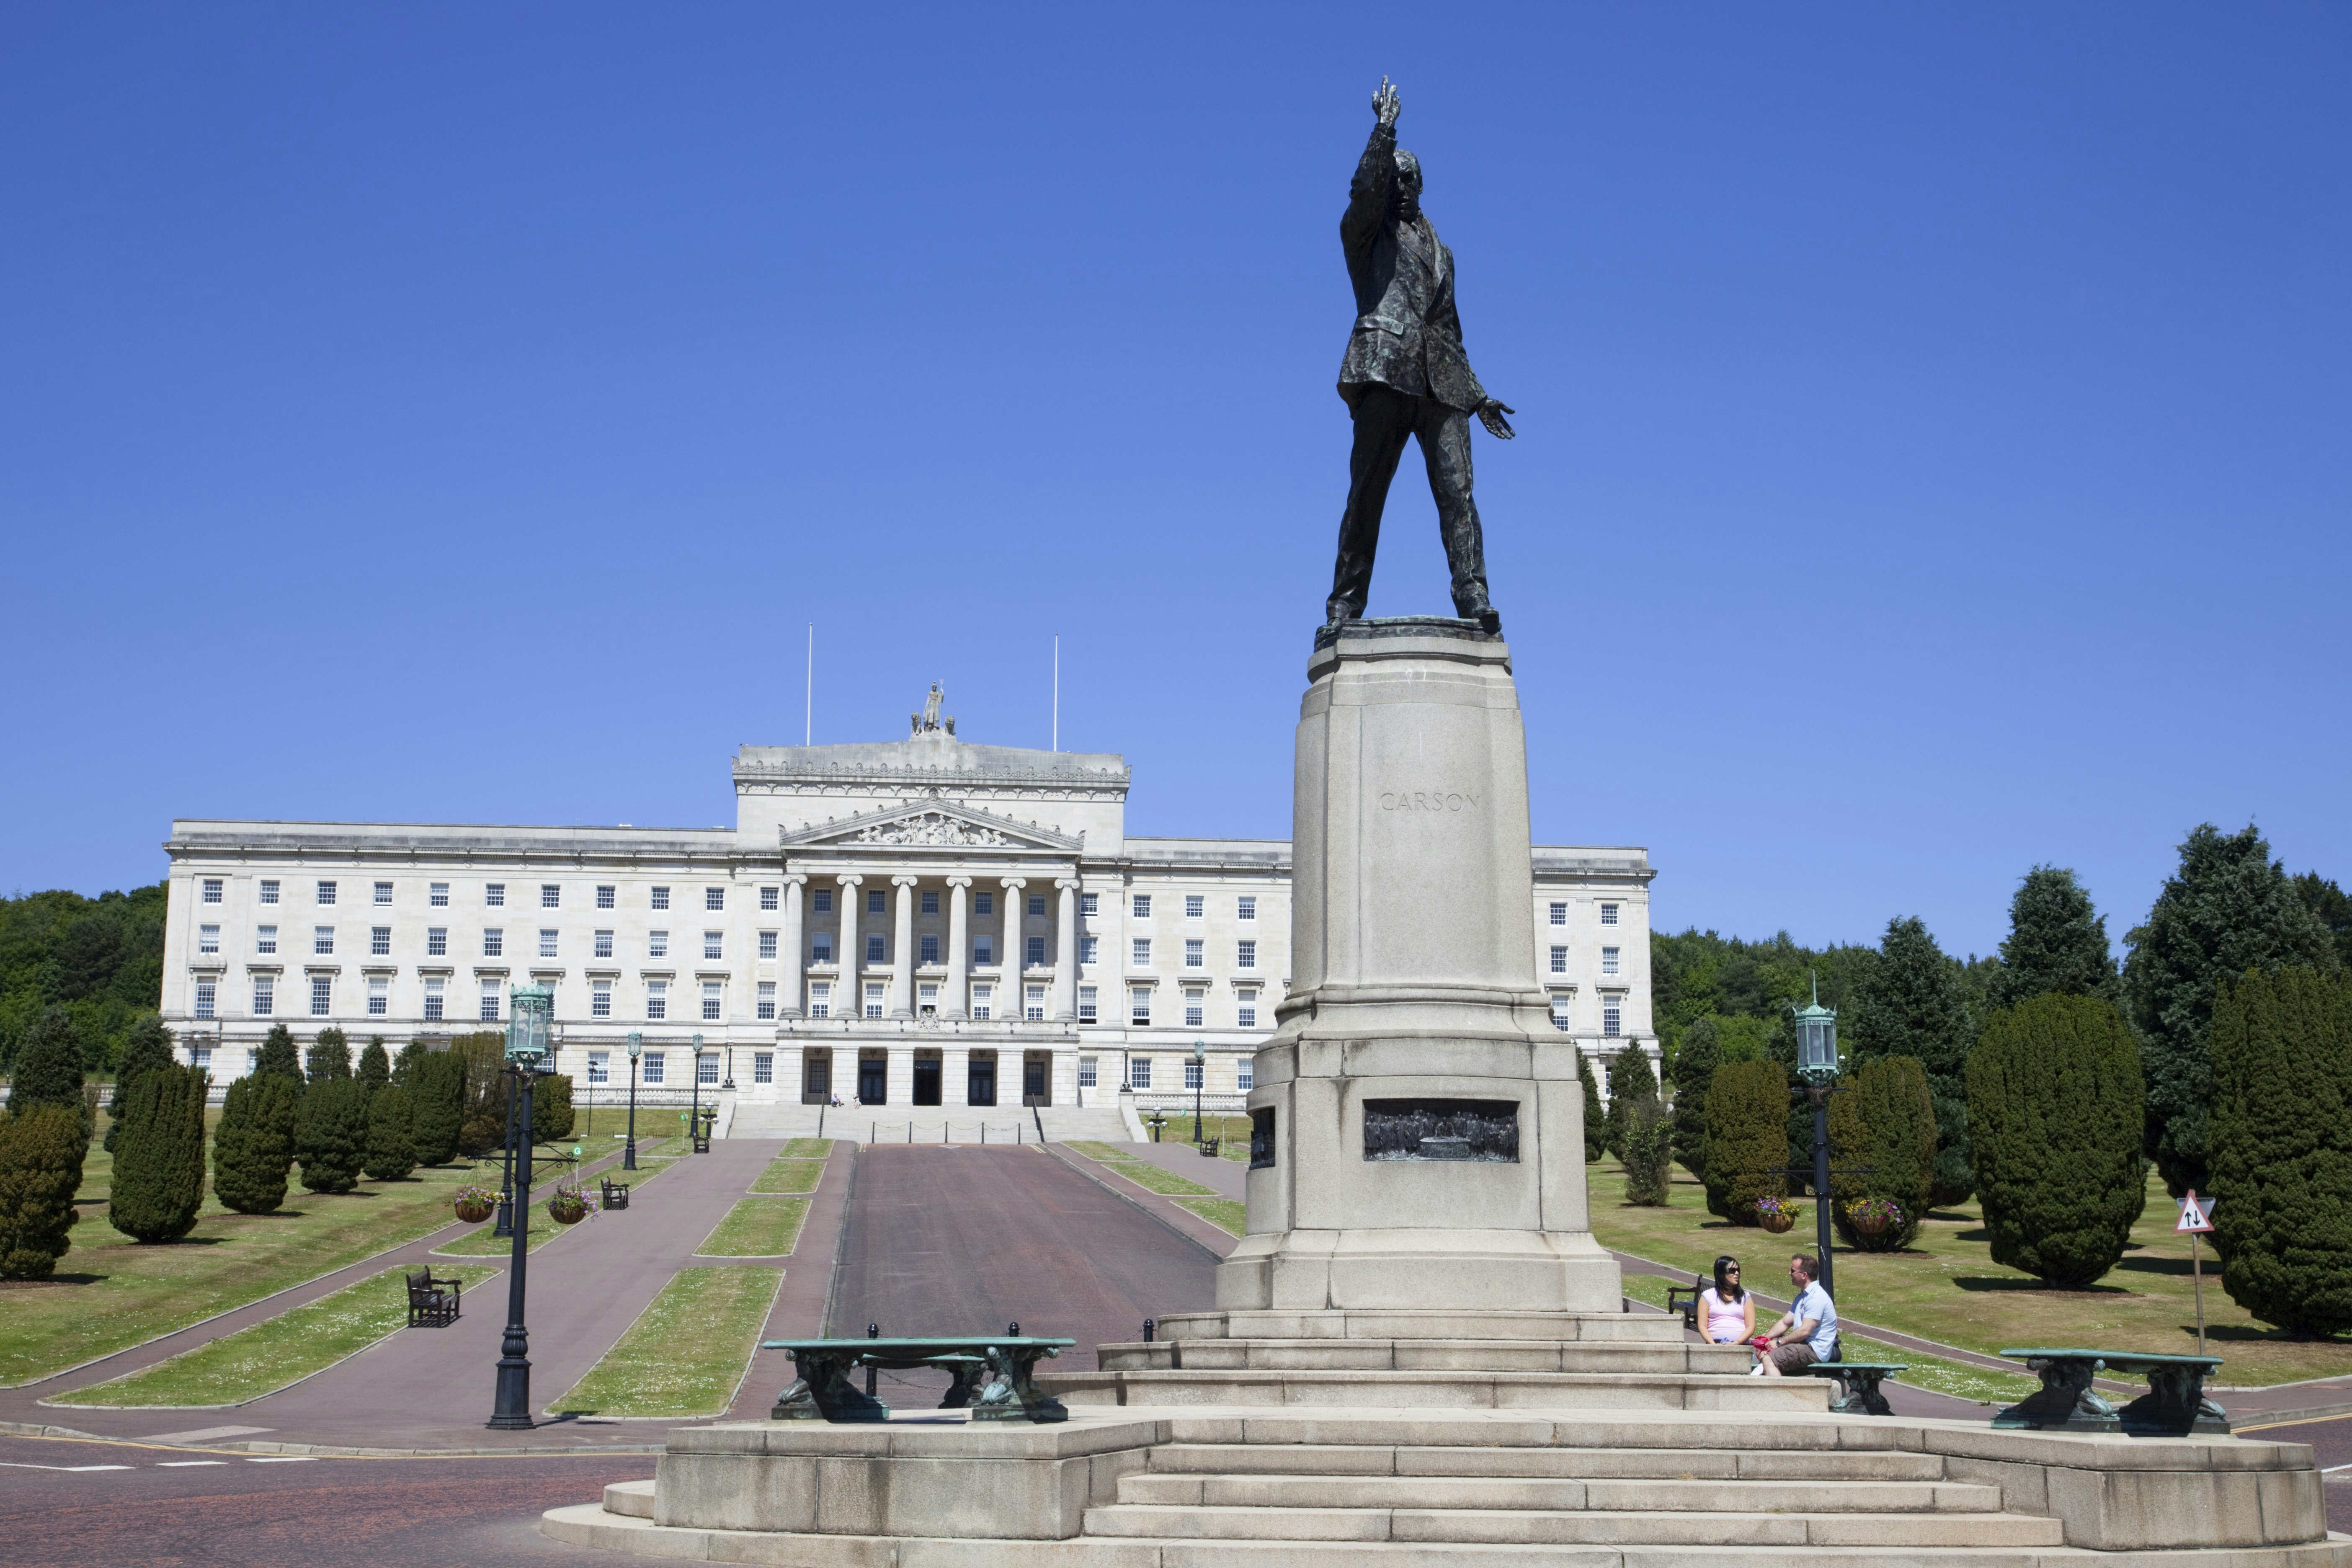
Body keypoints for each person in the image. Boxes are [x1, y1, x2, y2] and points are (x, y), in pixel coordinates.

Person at [1325, 77, 1517, 635]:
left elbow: (1450, 330)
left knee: (1459, 496)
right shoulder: (1365, 234)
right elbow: (1363, 191)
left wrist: (1477, 393)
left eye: (1410, 178)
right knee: (1367, 496)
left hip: (1441, 387)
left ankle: (1474, 595)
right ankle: (1345, 602)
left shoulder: (1444, 252)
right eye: (1395, 178)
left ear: (1423, 185)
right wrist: (1384, 132)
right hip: (1384, 373)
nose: (1401, 186)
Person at [1752, 1253, 1839, 1377]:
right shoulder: (1803, 1297)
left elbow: (1805, 1331)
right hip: (1803, 1345)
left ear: (1804, 1275)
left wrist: (1779, 1343)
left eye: (1793, 1271)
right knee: (1765, 1353)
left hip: (1814, 1349)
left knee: (1769, 1359)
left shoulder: (1816, 1297)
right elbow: (1785, 1322)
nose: (1789, 1274)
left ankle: (1777, 1394)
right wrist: (1765, 1340)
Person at [1698, 1255, 1754, 1346]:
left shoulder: (1745, 1297)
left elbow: (1751, 1327)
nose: (1737, 1273)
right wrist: (1713, 1345)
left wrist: (1736, 1343)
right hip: (1715, 1344)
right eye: (1732, 1271)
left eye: (1738, 1270)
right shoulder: (1707, 1296)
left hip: (1740, 1345)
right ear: (1721, 1274)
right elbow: (1702, 1326)